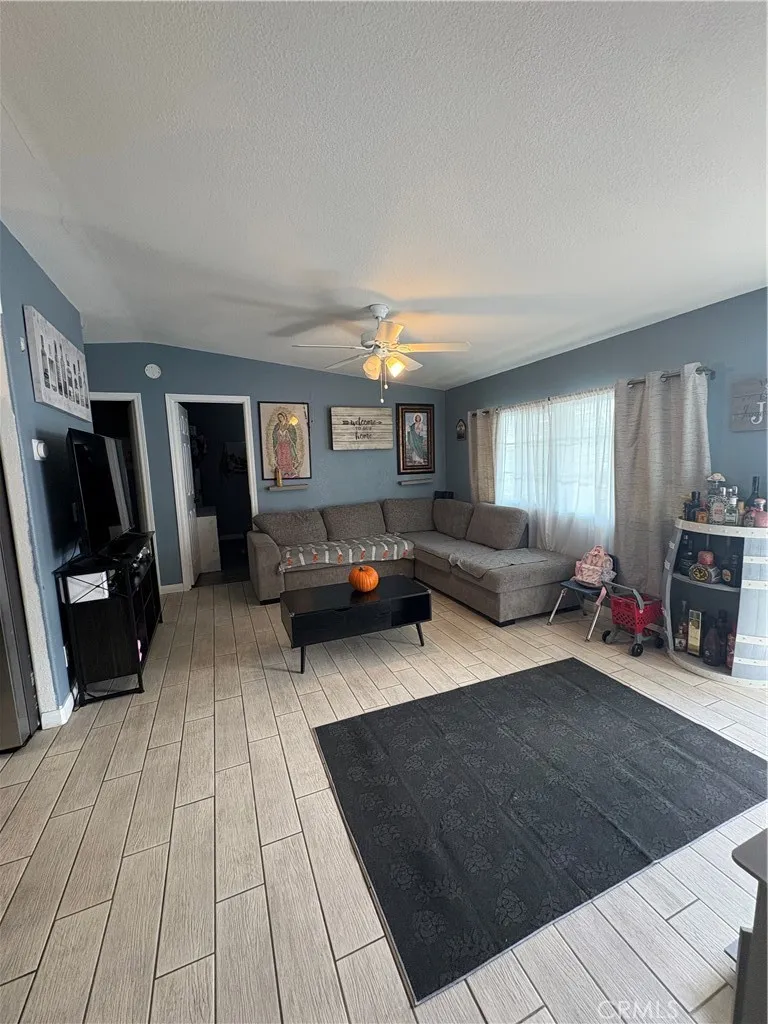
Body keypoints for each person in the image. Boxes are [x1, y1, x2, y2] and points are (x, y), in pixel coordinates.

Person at [272, 411, 300, 478]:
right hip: (279, 445)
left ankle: (289, 472)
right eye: (279, 417)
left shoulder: (289, 425)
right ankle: (281, 472)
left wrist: (287, 434)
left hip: (287, 444)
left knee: (287, 457)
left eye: (281, 417)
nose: (280, 418)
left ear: (284, 417)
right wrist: (277, 435)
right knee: (280, 457)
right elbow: (274, 435)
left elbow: (293, 435)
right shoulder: (277, 425)